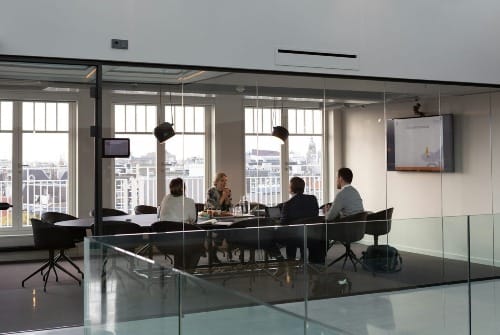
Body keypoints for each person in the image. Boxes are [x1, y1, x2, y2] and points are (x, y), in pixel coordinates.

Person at [280, 177, 319, 260]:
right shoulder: (313, 199)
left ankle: (290, 262)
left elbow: (283, 224)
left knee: (288, 235)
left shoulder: (288, 204)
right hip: (313, 236)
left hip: (295, 239)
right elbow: (316, 215)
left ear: (291, 188)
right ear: (303, 188)